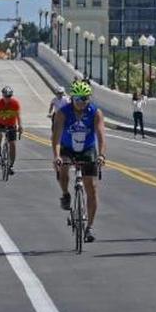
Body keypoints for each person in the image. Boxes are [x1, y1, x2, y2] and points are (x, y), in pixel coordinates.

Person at [52, 80, 107, 242]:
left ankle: (89, 227)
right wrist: (56, 157)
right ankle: (65, 194)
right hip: (67, 148)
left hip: (87, 149)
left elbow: (101, 136)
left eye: (85, 99)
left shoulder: (95, 113)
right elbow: (56, 138)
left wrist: (102, 156)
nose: (82, 102)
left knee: (91, 187)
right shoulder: (62, 113)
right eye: (78, 99)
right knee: (63, 170)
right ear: (72, 98)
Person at [0, 86, 22, 174]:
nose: (7, 98)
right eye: (5, 96)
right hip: (1, 123)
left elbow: (18, 116)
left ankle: (11, 165)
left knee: (12, 144)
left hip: (11, 125)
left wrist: (20, 126)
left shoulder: (15, 103)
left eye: (9, 96)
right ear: (3, 95)